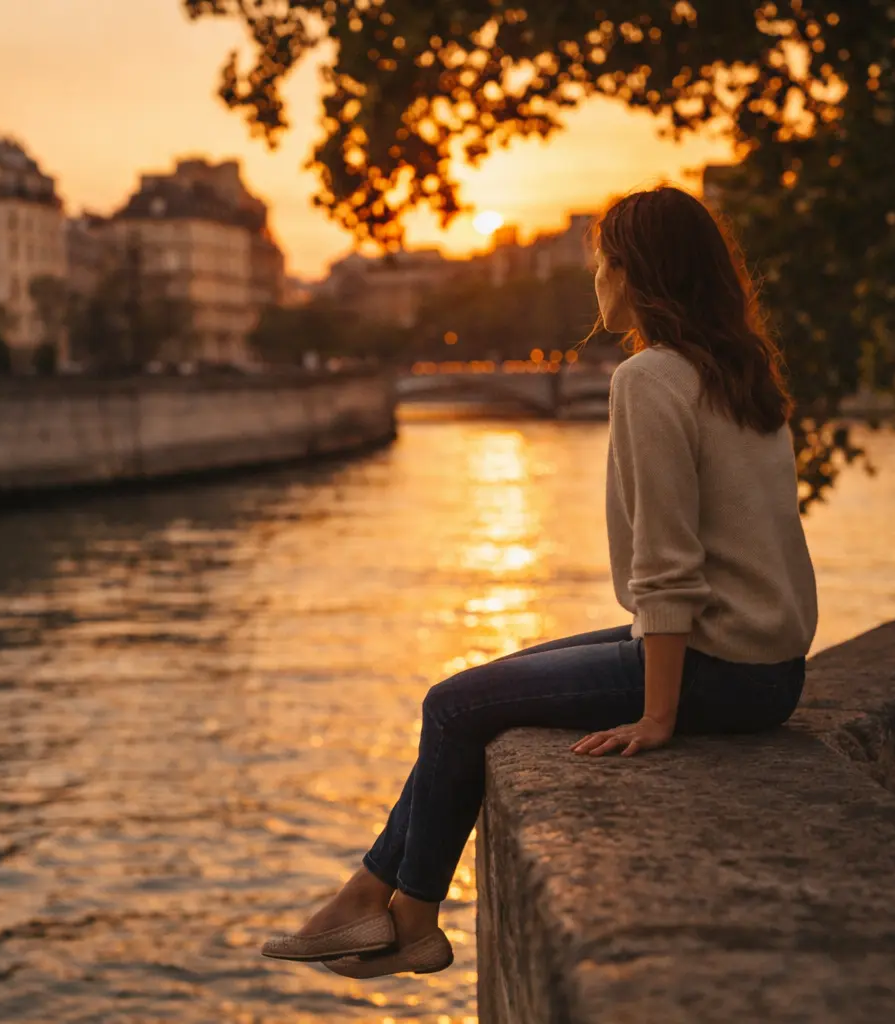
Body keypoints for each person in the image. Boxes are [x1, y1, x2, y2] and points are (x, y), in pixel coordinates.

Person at [260, 185, 818, 978]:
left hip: (717, 669)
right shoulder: (741, 373)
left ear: (635, 273)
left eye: (604, 261)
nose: (596, 278)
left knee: (454, 705)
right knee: (485, 689)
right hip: (773, 670)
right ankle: (369, 895)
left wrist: (658, 715)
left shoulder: (650, 377)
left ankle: (409, 915)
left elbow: (667, 564)